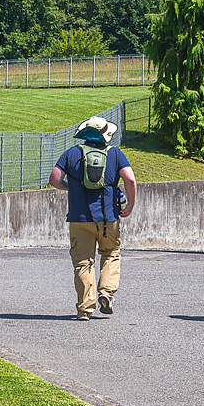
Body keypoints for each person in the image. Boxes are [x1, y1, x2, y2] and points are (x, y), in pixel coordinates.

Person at [48, 115, 136, 320]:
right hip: (108, 217)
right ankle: (106, 292)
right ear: (106, 134)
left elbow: (54, 179)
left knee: (83, 262)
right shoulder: (115, 153)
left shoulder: (71, 154)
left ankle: (85, 309)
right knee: (111, 253)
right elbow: (130, 179)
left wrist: (70, 187)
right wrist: (130, 204)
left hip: (79, 218)